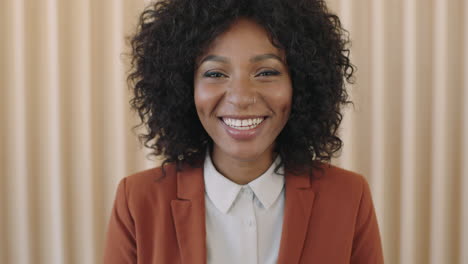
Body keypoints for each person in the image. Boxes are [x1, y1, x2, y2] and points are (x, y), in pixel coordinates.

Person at [104, 0, 384, 263]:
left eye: (266, 72)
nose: (241, 97)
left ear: (300, 84)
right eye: (215, 73)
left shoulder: (348, 197)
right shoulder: (137, 201)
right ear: (183, 88)